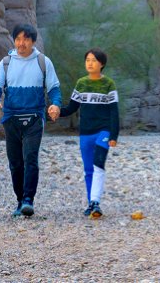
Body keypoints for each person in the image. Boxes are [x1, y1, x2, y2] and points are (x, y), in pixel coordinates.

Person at [0, 24, 61, 217]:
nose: (22, 44)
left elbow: (54, 88)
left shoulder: (43, 62)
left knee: (30, 159)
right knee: (15, 162)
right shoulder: (6, 63)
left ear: (33, 41)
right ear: (14, 40)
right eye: (18, 39)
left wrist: (55, 104)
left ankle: (29, 200)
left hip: (35, 118)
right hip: (11, 119)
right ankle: (20, 201)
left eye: (26, 39)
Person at [57, 48, 119, 218]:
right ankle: (91, 203)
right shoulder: (81, 84)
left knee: (99, 163)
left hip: (104, 130)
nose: (90, 63)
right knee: (88, 169)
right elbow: (71, 108)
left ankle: (96, 202)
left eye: (93, 60)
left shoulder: (108, 84)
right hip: (85, 133)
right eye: (87, 60)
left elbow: (114, 112)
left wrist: (113, 136)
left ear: (102, 64)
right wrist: (55, 112)